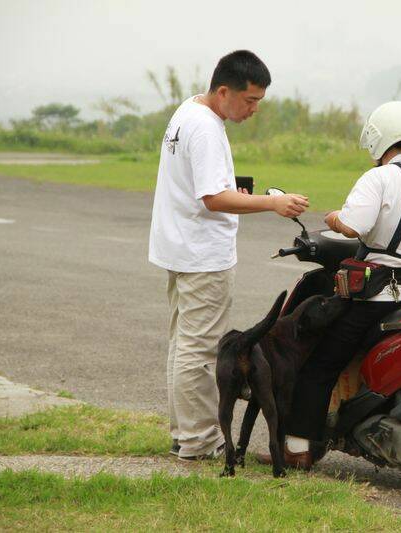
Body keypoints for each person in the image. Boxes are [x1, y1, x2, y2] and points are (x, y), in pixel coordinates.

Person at [258, 101, 401, 469]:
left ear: (379, 139)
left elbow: (353, 226)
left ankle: (298, 448)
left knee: (321, 363)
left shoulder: (380, 178)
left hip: (384, 296)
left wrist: (334, 218)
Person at [148, 50, 309, 461]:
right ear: (224, 91)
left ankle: (184, 434)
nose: (253, 109)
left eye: (258, 101)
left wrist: (253, 196)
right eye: (249, 100)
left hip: (181, 247)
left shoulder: (189, 111)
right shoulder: (204, 127)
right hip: (202, 254)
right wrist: (272, 205)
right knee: (200, 351)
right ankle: (201, 442)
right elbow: (213, 198)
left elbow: (206, 189)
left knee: (183, 345)